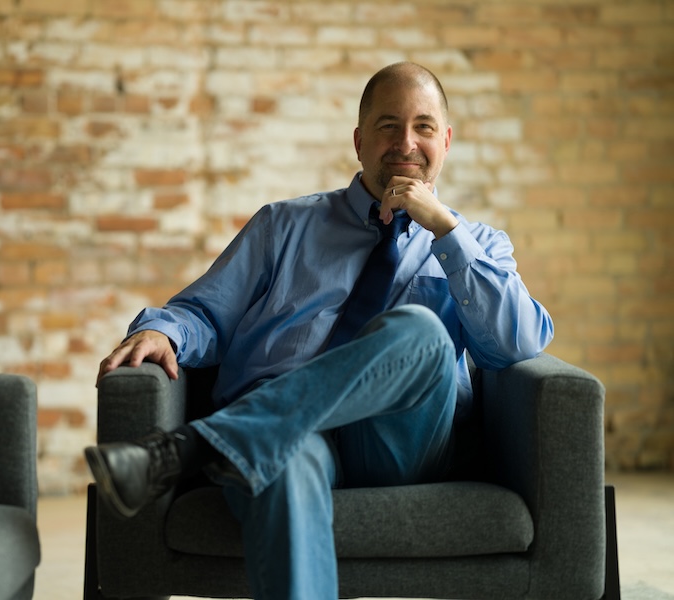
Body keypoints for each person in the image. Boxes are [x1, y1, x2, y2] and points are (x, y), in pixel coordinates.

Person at [84, 62, 554, 600]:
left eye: (423, 127)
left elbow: (518, 342)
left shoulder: (478, 245)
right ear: (359, 141)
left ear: (445, 141)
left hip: (398, 444)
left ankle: (196, 446)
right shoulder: (282, 226)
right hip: (291, 436)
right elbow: (205, 311)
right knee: (279, 460)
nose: (406, 142)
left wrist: (446, 230)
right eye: (388, 125)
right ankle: (245, 439)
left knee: (423, 332)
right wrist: (164, 333)